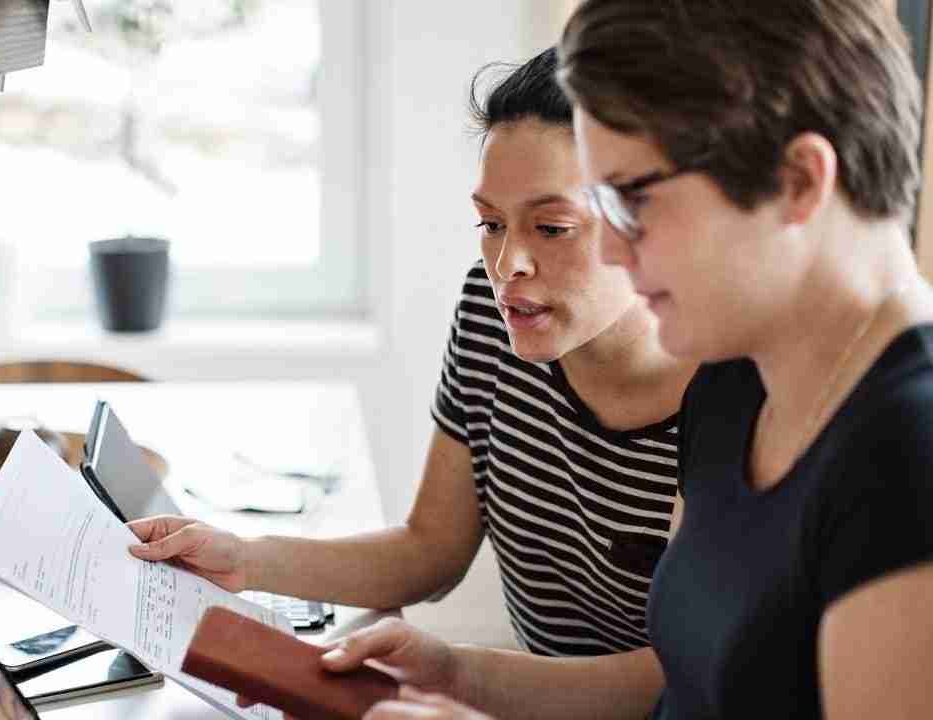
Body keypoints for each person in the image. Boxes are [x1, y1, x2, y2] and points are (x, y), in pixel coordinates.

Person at [321, 2, 933, 718]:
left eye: (636, 199)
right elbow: (678, 688)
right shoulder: (731, 383)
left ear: (797, 181)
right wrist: (456, 675)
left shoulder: (909, 448)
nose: (612, 247)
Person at [127, 46, 696, 670]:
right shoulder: (493, 311)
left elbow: (673, 680)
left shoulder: (730, 391)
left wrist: (454, 676)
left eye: (552, 228)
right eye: (491, 224)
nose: (508, 265)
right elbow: (430, 551)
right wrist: (245, 557)